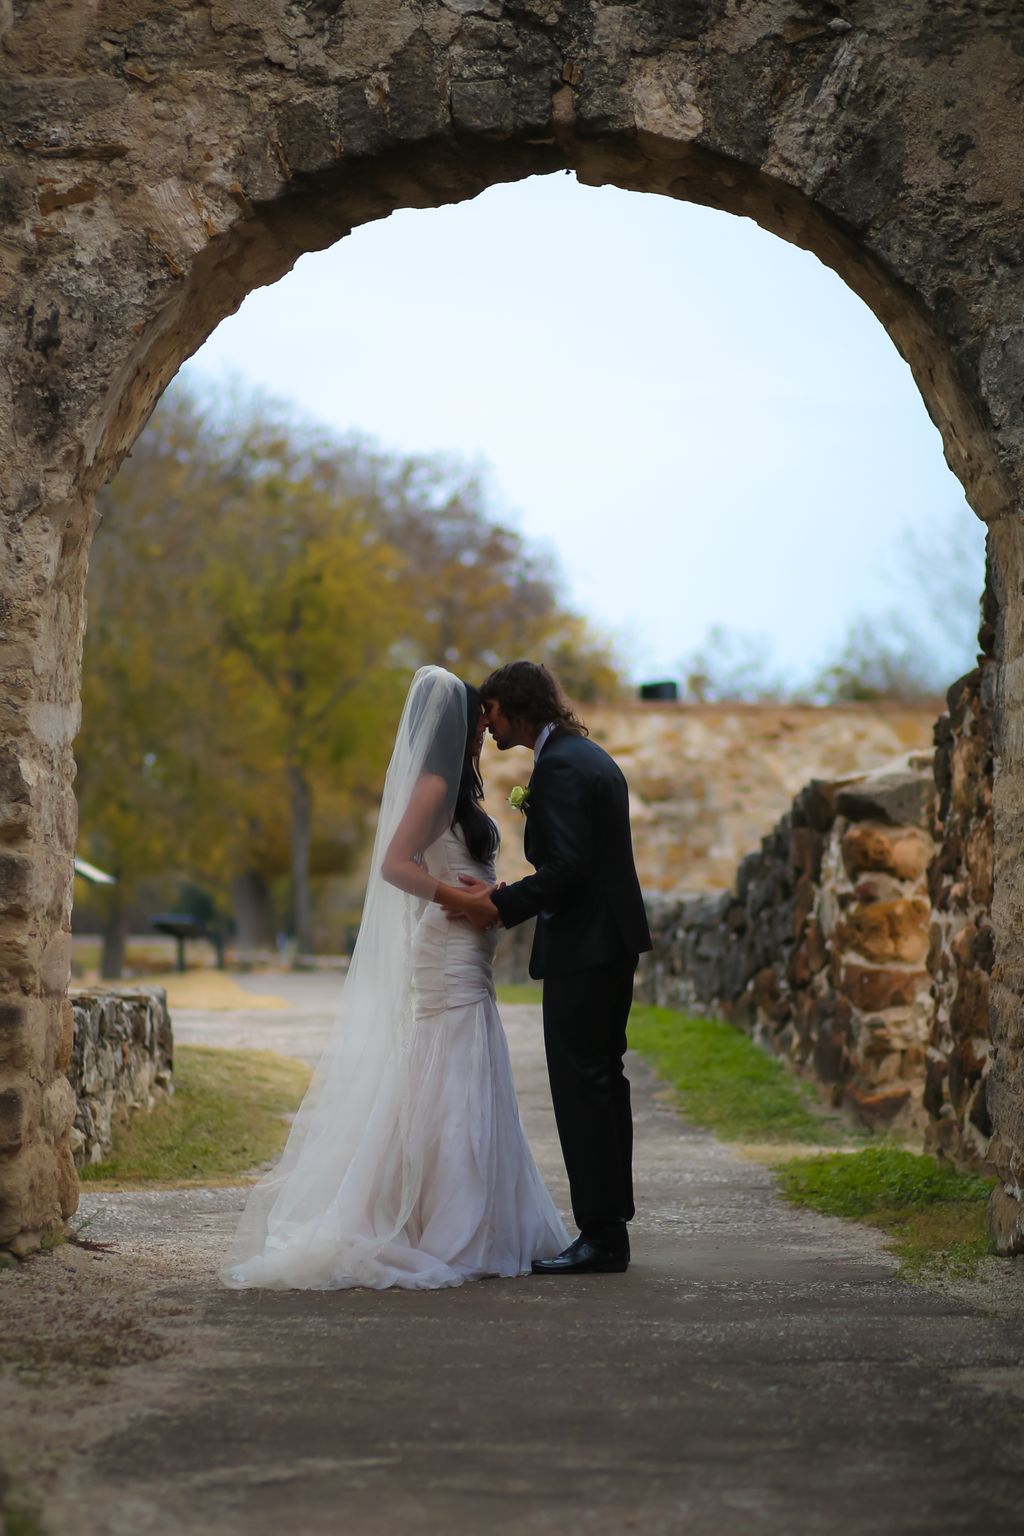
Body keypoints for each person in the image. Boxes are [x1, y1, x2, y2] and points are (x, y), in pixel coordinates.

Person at [221, 665, 567, 1291]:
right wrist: (455, 900)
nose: (485, 727)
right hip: (445, 948)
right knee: (451, 1069)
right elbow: (394, 865)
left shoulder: (456, 787)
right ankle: (447, 1223)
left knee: (467, 1066)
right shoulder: (435, 783)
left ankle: (473, 1214)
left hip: (469, 948)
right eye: (477, 717)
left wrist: (490, 897)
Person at [439, 661, 651, 1275]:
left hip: (585, 947)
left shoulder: (560, 765)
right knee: (603, 1083)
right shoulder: (588, 755)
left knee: (583, 1088)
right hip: (608, 942)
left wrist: (497, 905)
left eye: (492, 714)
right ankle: (610, 1228)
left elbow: (568, 871)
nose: (490, 728)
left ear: (511, 705)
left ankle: (602, 1234)